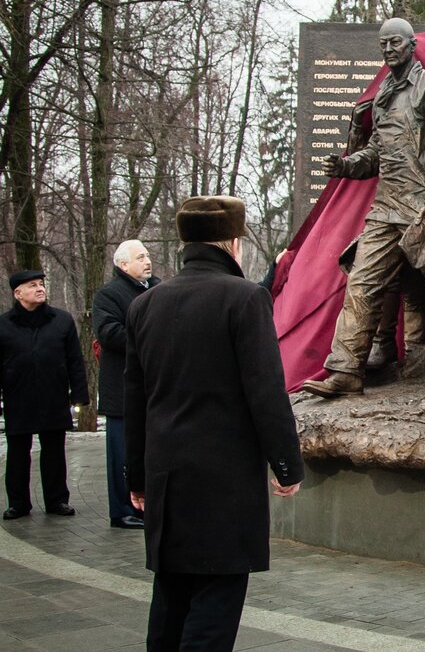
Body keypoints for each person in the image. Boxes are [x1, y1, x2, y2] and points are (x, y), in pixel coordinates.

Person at [125, 196, 303, 650]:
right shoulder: (244, 298)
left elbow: (137, 400)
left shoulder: (146, 305)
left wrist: (138, 477)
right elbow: (266, 391)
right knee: (214, 606)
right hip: (223, 480)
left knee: (169, 601)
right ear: (232, 241)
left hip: (166, 474)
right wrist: (286, 466)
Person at [303, 17, 425, 398]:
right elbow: (376, 154)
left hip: (424, 206)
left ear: (412, 44)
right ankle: (346, 369)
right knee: (363, 282)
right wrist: (347, 166)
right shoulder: (384, 92)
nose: (388, 49)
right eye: (383, 44)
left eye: (395, 43)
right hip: (387, 207)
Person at [0, 270, 89, 520]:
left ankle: (57, 500)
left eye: (41, 284)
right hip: (19, 397)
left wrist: (79, 395)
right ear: (18, 293)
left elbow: (74, 361)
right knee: (17, 454)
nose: (40, 288)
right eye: (32, 285)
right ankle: (18, 503)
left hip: (54, 396)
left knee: (54, 452)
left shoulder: (61, 320)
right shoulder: (4, 325)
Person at [92, 240, 160, 529]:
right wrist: (151, 337)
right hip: (121, 390)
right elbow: (109, 334)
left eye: (148, 255)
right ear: (123, 265)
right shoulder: (109, 295)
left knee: (150, 450)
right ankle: (122, 510)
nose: (148, 261)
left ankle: (149, 506)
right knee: (123, 451)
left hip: (152, 387)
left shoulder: (158, 289)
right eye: (140, 257)